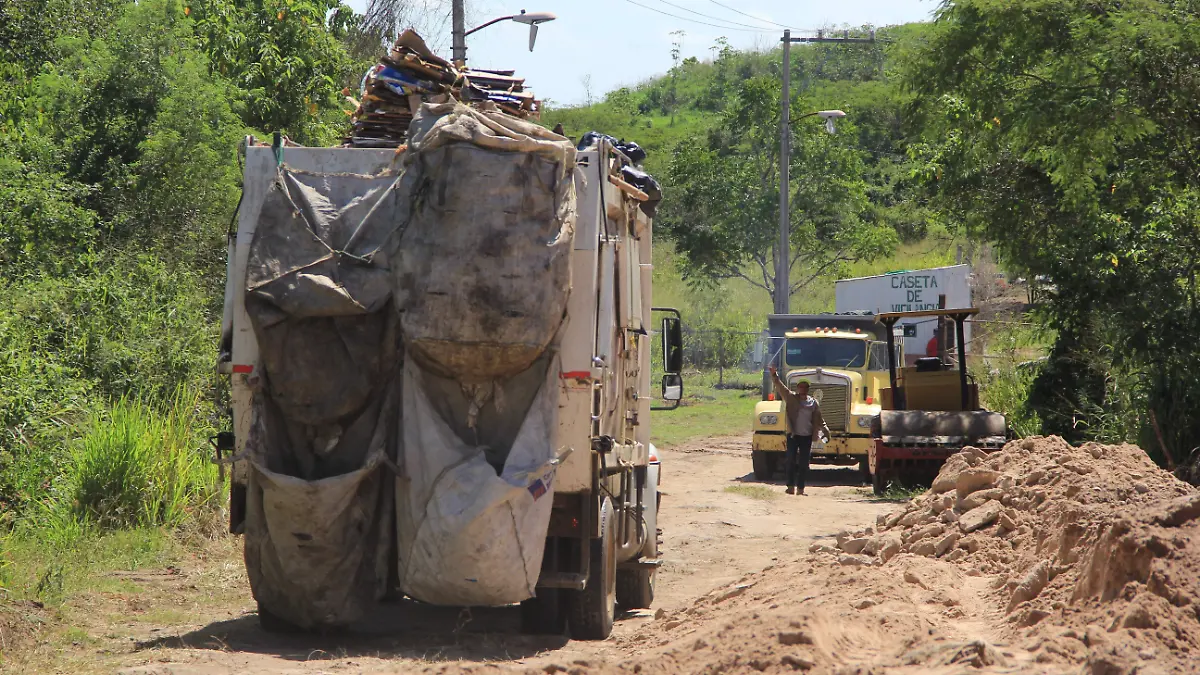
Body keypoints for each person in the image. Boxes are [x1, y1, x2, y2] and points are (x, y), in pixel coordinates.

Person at [768, 365, 831, 495]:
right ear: (797, 388)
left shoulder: (813, 403)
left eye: (805, 387)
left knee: (804, 464)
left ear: (808, 389)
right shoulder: (791, 398)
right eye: (800, 386)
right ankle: (790, 486)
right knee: (790, 460)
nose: (802, 388)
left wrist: (825, 430)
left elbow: (819, 419)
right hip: (793, 435)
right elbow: (780, 387)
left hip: (807, 436)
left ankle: (801, 489)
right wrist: (774, 375)